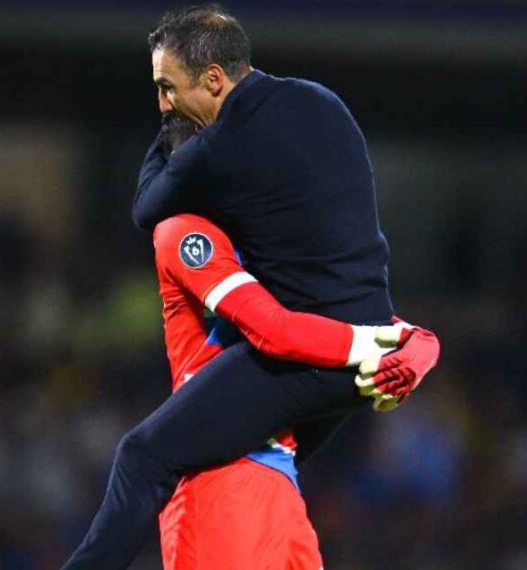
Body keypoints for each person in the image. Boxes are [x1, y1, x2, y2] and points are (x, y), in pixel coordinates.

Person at [63, 5, 440, 568]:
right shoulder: (324, 102)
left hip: (318, 353)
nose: (163, 102)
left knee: (143, 455)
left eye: (167, 88)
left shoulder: (212, 167)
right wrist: (410, 341)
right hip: (368, 354)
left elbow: (148, 209)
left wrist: (357, 345)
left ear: (214, 79)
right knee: (261, 455)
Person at [148, 113, 437, 569]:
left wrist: (419, 344)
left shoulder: (267, 242)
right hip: (219, 477)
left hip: (276, 472)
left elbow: (343, 317)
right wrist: (382, 344)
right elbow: (277, 330)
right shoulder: (187, 234)